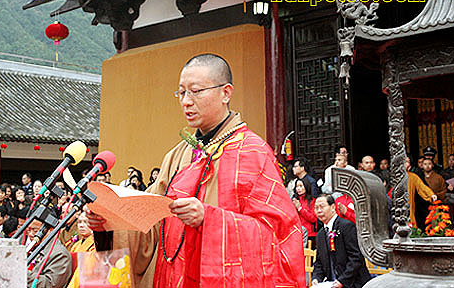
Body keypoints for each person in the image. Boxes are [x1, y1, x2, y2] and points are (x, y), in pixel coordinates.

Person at [86, 53, 305, 287]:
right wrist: (108, 223)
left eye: (196, 91)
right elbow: (150, 226)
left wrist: (209, 219)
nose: (186, 101)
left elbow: (279, 237)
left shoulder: (252, 153)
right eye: (181, 92)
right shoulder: (177, 155)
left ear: (226, 93)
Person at [312, 194, 371, 288]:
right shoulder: (320, 234)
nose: (319, 211)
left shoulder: (347, 226)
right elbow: (319, 261)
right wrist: (316, 278)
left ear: (333, 207)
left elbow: (356, 258)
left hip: (353, 283)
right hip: (331, 283)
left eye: (322, 207)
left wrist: (342, 281)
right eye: (316, 208)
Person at [26, 219, 73, 288]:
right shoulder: (36, 247)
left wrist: (23, 274)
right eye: (28, 230)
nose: (30, 234)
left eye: (35, 231)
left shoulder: (60, 254)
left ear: (50, 230)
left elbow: (50, 284)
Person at [405, 156, 437, 231]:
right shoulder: (394, 176)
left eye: (407, 162)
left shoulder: (412, 177)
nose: (405, 164)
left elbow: (422, 187)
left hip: (409, 204)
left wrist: (431, 194)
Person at [67, 211, 96, 288]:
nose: (81, 225)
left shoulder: (95, 245)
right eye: (79, 222)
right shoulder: (76, 245)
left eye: (85, 222)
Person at [292, 178, 317, 244]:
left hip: (310, 234)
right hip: (296, 233)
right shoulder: (294, 201)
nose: (298, 189)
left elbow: (313, 218)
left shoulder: (312, 201)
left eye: (301, 186)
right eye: (297, 186)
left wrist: (300, 209)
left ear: (306, 186)